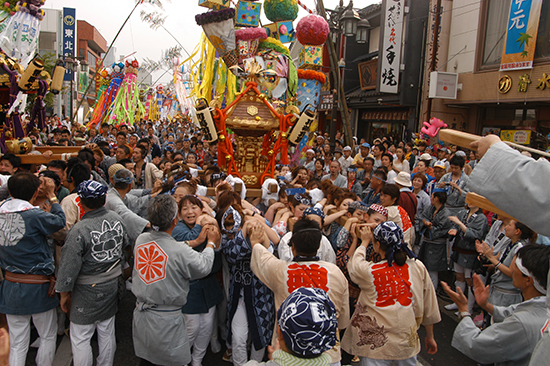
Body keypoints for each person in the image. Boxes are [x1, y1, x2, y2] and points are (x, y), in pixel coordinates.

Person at [132, 195, 218, 366]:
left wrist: (194, 241)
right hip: (166, 319)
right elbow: (204, 266)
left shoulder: (141, 240)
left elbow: (172, 248)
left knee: (146, 358)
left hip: (141, 314)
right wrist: (210, 244)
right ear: (175, 219)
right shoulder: (179, 251)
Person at [250, 219, 349, 366]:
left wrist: (255, 242)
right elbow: (343, 319)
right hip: (328, 352)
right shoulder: (335, 272)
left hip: (288, 350)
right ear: (319, 245)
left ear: (293, 246)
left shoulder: (280, 271)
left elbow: (262, 258)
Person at [341, 222, 440, 365]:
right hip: (406, 337)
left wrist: (364, 242)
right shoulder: (417, 266)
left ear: (377, 245)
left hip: (376, 344)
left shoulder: (370, 271)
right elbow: (428, 303)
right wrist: (430, 335)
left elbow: (354, 265)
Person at [56, 180, 130, 366]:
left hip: (86, 287)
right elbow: (125, 246)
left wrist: (64, 293)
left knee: (81, 335)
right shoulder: (117, 219)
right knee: (106, 329)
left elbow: (68, 265)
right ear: (104, 199)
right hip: (111, 281)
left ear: (80, 202)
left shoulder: (80, 229)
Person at [442, 245, 550, 366]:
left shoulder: (522, 323)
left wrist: (464, 310)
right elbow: (511, 312)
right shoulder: (543, 306)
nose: (512, 270)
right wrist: (486, 305)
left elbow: (477, 346)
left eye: (516, 267)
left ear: (529, 280)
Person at [0, 173, 66, 366]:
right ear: (37, 191)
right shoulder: (35, 215)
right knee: (46, 335)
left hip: (11, 283)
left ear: (10, 191)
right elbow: (60, 222)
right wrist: (52, 196)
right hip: (37, 284)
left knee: (18, 341)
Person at [172, 195, 223, 366]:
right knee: (191, 327)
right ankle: (182, 360)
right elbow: (194, 238)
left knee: (206, 327)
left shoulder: (209, 224)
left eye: (194, 207)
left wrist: (214, 231)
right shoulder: (178, 230)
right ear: (179, 213)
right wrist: (202, 222)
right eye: (185, 208)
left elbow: (216, 252)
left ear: (201, 209)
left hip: (208, 283)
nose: (190, 212)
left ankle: (197, 360)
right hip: (189, 286)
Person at [446, 203, 489, 313]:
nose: (469, 202)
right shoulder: (463, 213)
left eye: (473, 200)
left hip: (470, 252)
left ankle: (468, 308)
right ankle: (458, 302)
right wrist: (454, 229)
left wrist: (460, 224)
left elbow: (477, 235)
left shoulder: (481, 218)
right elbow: (454, 225)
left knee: (470, 281)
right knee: (459, 277)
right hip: (459, 249)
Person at [417, 190, 451, 289]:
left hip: (437, 244)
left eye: (432, 197)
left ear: (436, 199)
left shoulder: (446, 213)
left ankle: (432, 292)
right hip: (427, 241)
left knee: (433, 271)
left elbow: (443, 230)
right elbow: (423, 216)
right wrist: (425, 222)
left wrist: (431, 227)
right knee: (425, 267)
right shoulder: (431, 208)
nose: (430, 199)